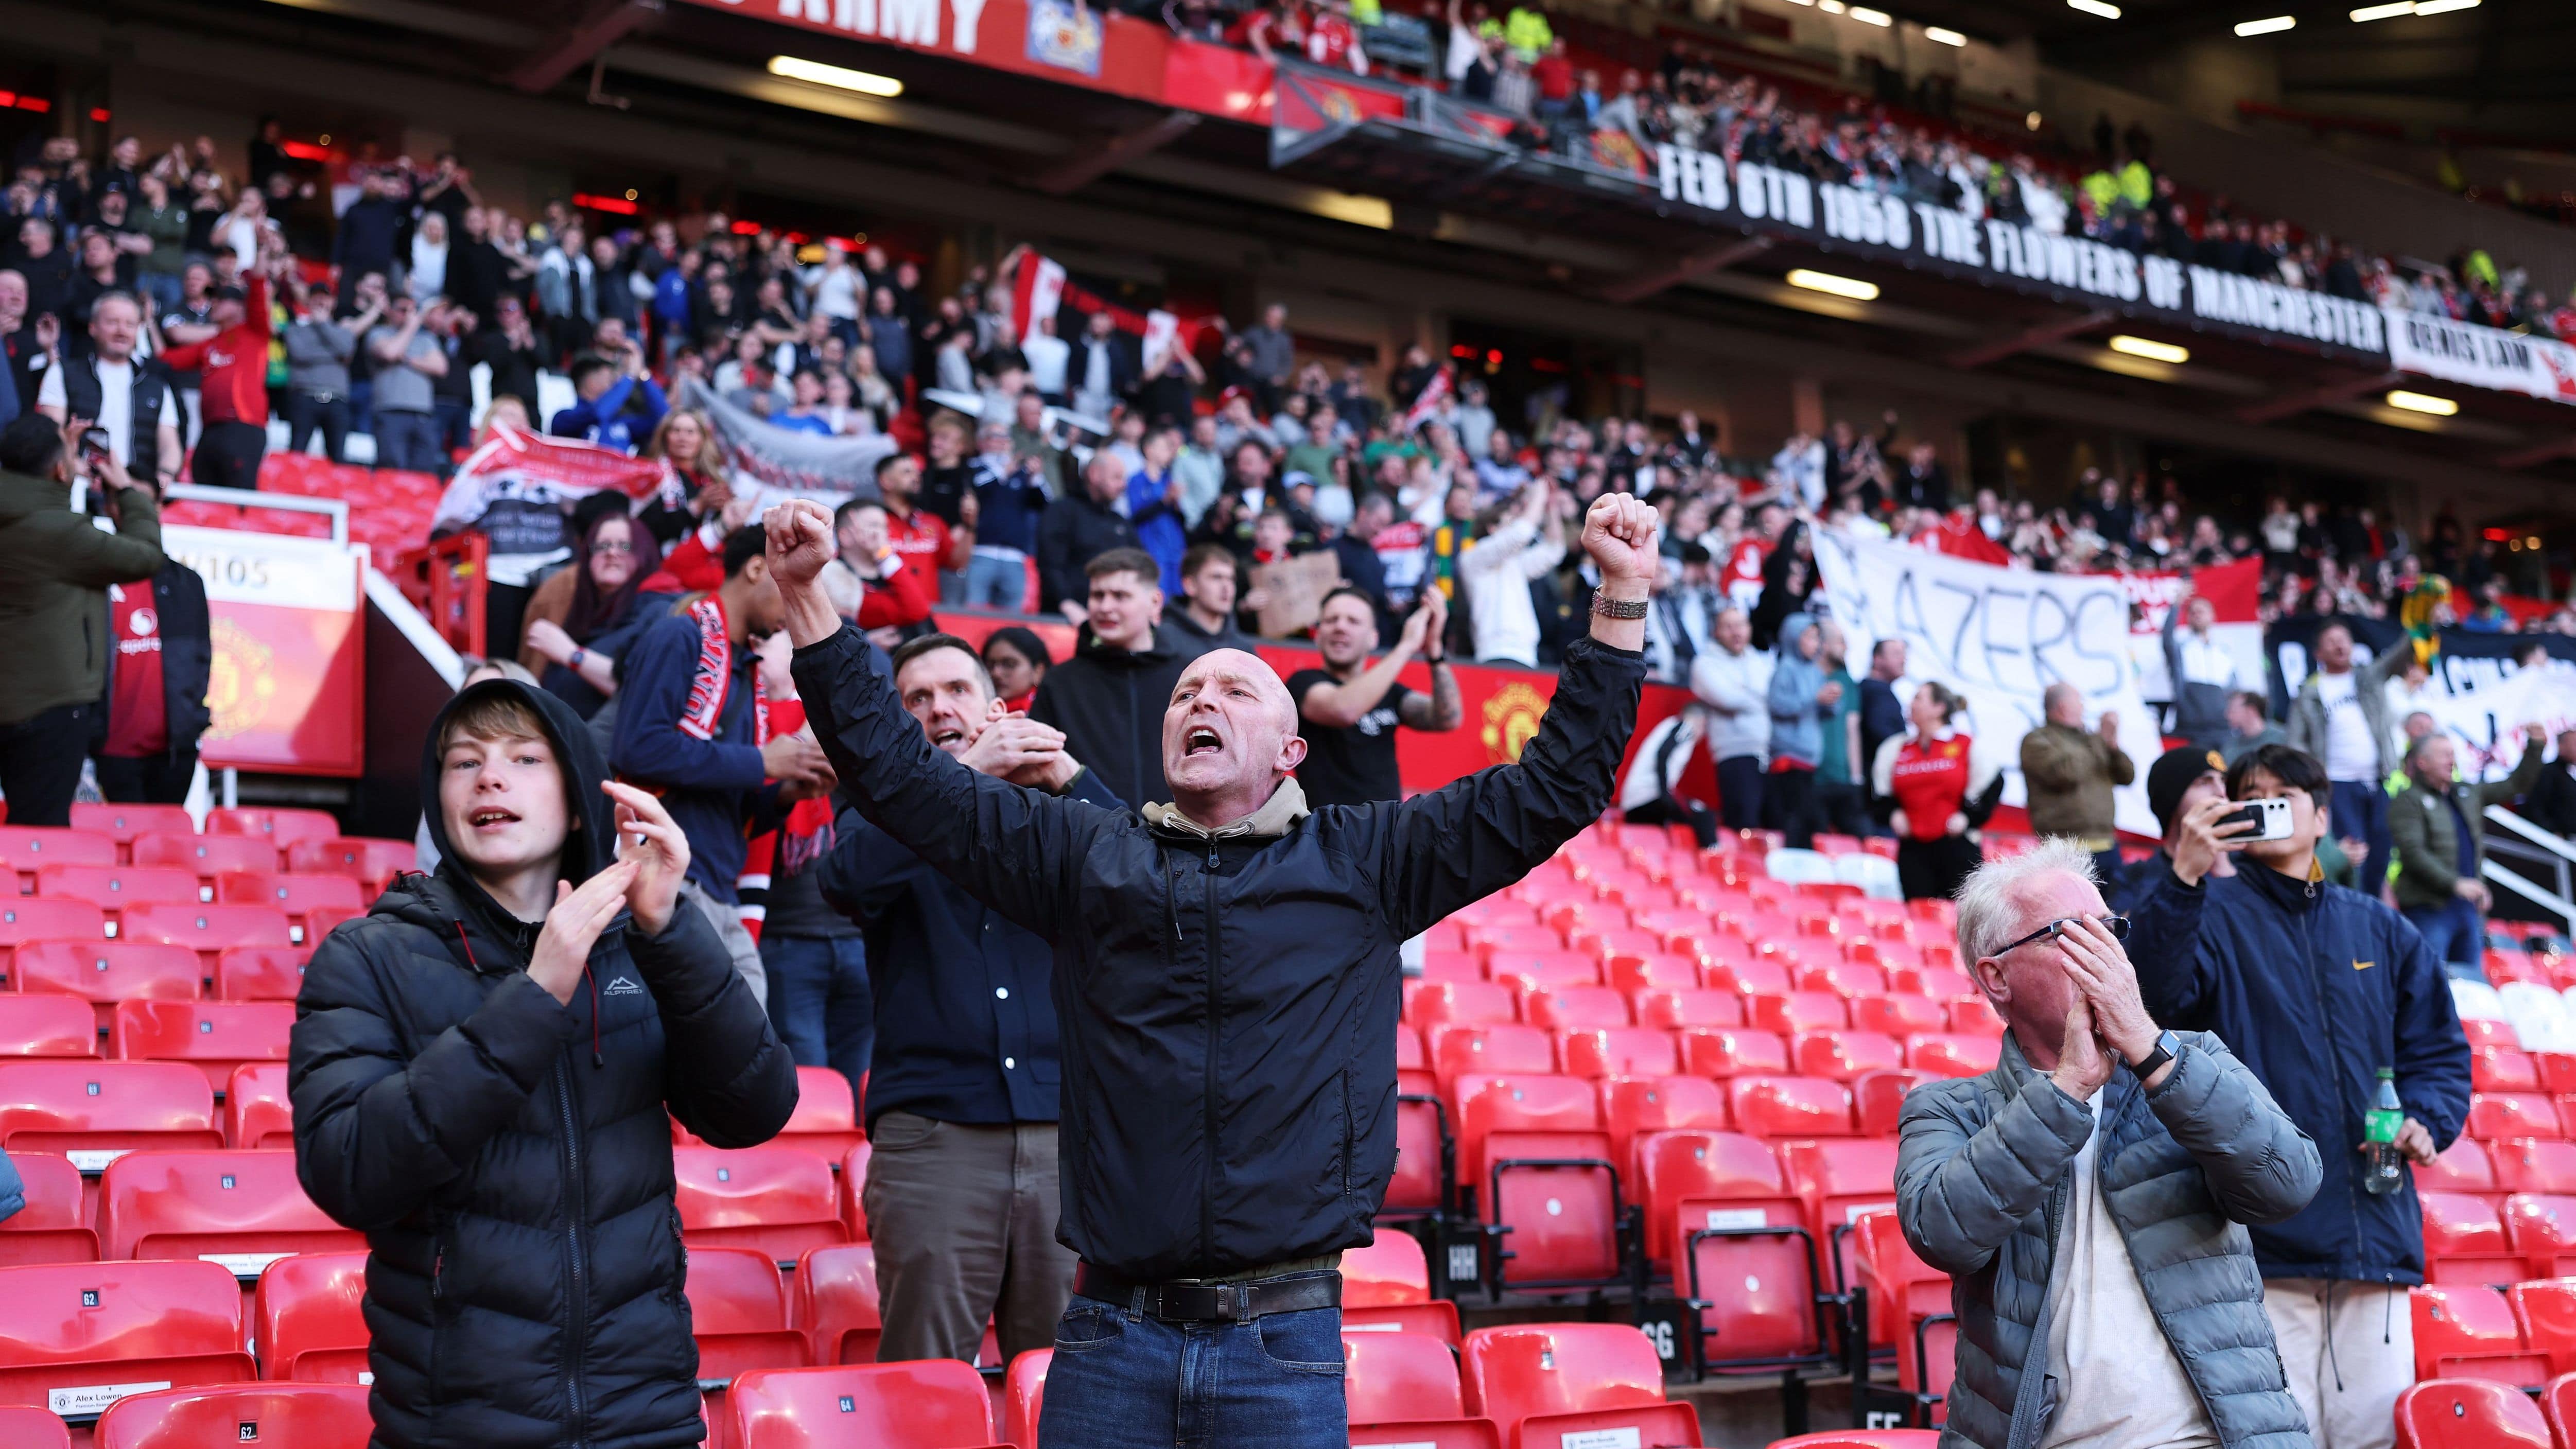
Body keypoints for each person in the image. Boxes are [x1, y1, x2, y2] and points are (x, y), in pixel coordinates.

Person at [771, 487, 1659, 1449]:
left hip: (1283, 1342)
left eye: (1235, 690)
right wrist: (809, 596)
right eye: (1187, 693)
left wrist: (1618, 597)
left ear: (1289, 751)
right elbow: (903, 780)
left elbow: (1556, 786)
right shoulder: (1087, 858)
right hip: (1108, 1336)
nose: (1201, 699)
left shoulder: (1366, 861)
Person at [289, 675, 798, 1449]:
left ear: (580, 798)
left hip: (645, 1416)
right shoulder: (368, 954)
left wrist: (669, 929)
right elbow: (347, 1168)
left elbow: (753, 1107)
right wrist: (536, 994)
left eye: (524, 758)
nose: (489, 777)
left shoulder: (641, 943)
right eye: (464, 762)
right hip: (458, 1426)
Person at [1897, 840, 2321, 1449]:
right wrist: (2068, 1087)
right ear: (1996, 977)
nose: (2107, 954)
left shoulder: (2193, 1060)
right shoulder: (1949, 1108)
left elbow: (2289, 1183)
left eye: (2110, 929)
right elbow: (1944, 1234)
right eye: (2071, 934)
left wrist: (2152, 1051)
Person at [2126, 742, 2472, 1449]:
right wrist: (2184, 876)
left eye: (2284, 795)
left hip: (2374, 1234)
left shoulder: (2381, 926)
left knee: (2375, 1437)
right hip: (2259, 1244)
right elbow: (2148, 1009)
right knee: (2278, 1440)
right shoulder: (2205, 912)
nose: (2268, 807)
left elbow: (2438, 1050)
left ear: (2321, 817)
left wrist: (2425, 1118)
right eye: (2253, 796)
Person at [815, 633, 1120, 1366]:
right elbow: (845, 880)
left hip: (1062, 1137)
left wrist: (1071, 776)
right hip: (934, 1137)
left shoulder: (1049, 802)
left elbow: (1146, 879)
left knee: (1070, 1385)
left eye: (955, 690)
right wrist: (959, 779)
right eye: (915, 699)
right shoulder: (873, 802)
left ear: (996, 709)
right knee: (926, 1379)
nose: (938, 708)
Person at [609, 523, 834, 1000]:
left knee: (751, 1035)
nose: (798, 613)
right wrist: (761, 761)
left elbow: (732, 803)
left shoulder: (747, 671)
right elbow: (638, 747)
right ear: (756, 568)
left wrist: (788, 790)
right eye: (794, 593)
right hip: (668, 880)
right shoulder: (679, 635)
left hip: (719, 890)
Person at [0, 414, 166, 825]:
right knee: (39, 830)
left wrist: (60, 456)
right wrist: (126, 489)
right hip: (51, 706)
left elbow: (37, 496)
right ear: (59, 470)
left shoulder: (28, 519)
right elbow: (146, 555)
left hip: (14, 698)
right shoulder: (61, 534)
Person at [1028, 548, 1195, 812]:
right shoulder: (1060, 683)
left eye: (1120, 596)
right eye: (1098, 595)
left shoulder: (1190, 680)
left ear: (1155, 602)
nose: (1105, 607)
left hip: (1178, 833)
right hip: (1085, 834)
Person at [2389, 725, 2546, 973]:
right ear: (2422, 762)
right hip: (2428, 909)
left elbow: (2516, 785)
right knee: (2429, 981)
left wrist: (2535, 746)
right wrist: (2456, 883)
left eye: (2452, 754)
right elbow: (2413, 853)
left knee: (2472, 984)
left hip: (2467, 910)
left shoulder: (2466, 793)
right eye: (2443, 755)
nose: (2451, 760)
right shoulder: (2407, 800)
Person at [1289, 587, 1462, 808]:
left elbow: (1447, 718)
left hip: (1389, 827)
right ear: (1318, 634)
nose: (1340, 627)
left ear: (1373, 638)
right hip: (1329, 826)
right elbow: (1342, 709)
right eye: (1331, 620)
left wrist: (1435, 650)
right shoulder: (1302, 683)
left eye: (1353, 621)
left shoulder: (1390, 692)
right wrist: (1407, 645)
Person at [2286, 622, 2410, 897]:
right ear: (2319, 653)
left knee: (2381, 853)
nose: (2340, 645)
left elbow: (2400, 657)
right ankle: (2353, 909)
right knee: (2353, 855)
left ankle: (2373, 910)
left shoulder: (2369, 677)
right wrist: (2312, 778)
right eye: (2331, 641)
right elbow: (2295, 741)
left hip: (2377, 781)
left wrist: (2419, 629)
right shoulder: (2310, 691)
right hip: (2337, 784)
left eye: (2344, 639)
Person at [518, 509, 666, 719]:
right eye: (602, 546)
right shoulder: (576, 607)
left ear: (644, 554)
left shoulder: (659, 610)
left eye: (625, 546)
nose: (612, 552)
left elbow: (645, 692)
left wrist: (572, 655)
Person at [94, 554, 212, 806]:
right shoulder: (97, 579)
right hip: (112, 751)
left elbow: (202, 659)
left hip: (173, 754)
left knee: (164, 830)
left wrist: (191, 722)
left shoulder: (186, 582)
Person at [33, 291, 181, 486]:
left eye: (130, 324)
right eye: (112, 322)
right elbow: (51, 429)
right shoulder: (63, 372)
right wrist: (72, 463)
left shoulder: (157, 385)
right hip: (77, 486)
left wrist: (165, 474)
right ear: (93, 327)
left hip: (134, 490)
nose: (122, 331)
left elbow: (169, 443)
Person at [1873, 680, 2003, 901]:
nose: (1912, 704)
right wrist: (1893, 814)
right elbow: (1878, 791)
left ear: (1939, 708)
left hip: (1957, 846)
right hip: (1913, 850)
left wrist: (1967, 817)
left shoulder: (1964, 743)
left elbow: (1993, 782)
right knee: (1920, 912)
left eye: (1918, 698)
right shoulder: (1896, 747)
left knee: (1965, 914)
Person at [154, 267, 274, 490]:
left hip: (243, 426)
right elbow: (164, 360)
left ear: (240, 306)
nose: (214, 303)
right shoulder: (209, 344)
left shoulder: (255, 332)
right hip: (210, 430)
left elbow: (258, 285)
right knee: (205, 494)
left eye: (221, 299)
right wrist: (148, 321)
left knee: (239, 497)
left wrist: (262, 253)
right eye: (213, 299)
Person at [2018, 682, 2133, 882]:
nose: (2083, 707)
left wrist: (2112, 746)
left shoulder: (2091, 741)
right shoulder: (2037, 741)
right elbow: (2065, 773)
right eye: (2079, 701)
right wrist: (2098, 740)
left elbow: (2127, 776)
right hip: (2065, 850)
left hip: (2107, 844)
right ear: (2063, 707)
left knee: (2112, 901)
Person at [2109, 745, 2237, 913]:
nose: (2222, 793)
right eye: (2204, 783)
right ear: (2172, 798)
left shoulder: (2243, 862)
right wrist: (2183, 877)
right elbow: (2126, 929)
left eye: (2223, 781)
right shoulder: (2135, 877)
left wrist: (2224, 871)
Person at [1690, 605, 1770, 832]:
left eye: (1741, 625)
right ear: (1716, 631)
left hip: (1767, 753)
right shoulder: (1704, 663)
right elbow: (1727, 698)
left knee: (1771, 831)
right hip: (1734, 754)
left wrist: (1746, 693)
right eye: (1728, 627)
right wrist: (1761, 699)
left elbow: (1770, 693)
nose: (1736, 632)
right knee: (1744, 827)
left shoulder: (1759, 660)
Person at [1763, 611, 1840, 848]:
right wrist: (1815, 699)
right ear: (1794, 637)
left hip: (1810, 759)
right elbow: (1778, 705)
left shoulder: (1816, 672)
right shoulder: (1785, 668)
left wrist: (1831, 701)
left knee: (1810, 820)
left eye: (1817, 638)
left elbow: (1825, 711)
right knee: (1793, 818)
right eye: (1809, 637)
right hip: (1788, 757)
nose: (1815, 643)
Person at [1035, 451, 1141, 619]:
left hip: (1112, 619)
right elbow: (1050, 564)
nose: (1123, 485)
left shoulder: (1120, 523)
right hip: (1065, 618)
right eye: (1116, 477)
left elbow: (1140, 565)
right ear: (1094, 474)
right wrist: (1066, 603)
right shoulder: (1063, 511)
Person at [364, 292, 448, 473]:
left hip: (423, 414)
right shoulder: (379, 333)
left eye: (412, 311)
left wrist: (407, 359)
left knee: (424, 472)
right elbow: (389, 353)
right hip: (390, 412)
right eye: (403, 310)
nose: (409, 315)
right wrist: (412, 327)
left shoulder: (426, 339)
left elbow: (441, 367)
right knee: (391, 469)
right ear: (390, 311)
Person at [2161, 591, 2239, 751]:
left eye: (2201, 611)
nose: (2197, 615)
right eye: (2192, 612)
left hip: (2222, 730)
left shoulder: (2224, 652)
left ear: (2212, 616)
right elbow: (2167, 639)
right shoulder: (2182, 649)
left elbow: (2234, 690)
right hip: (2190, 729)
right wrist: (2176, 606)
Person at [1169, 542, 1261, 654]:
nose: (1227, 587)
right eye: (1216, 577)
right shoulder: (1163, 642)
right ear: (1190, 585)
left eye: (1231, 579)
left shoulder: (1243, 650)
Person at [1856, 638, 1909, 805]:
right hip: (1875, 786)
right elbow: (1882, 733)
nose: (1903, 660)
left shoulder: (1865, 690)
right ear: (1877, 659)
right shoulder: (1879, 692)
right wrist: (1908, 756)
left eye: (1904, 654)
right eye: (1896, 654)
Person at [2524, 727, 2576, 840]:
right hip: (2556, 841)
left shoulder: (2571, 773)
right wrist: (2552, 832)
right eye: (2574, 743)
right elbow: (2535, 807)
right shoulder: (2548, 772)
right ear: (2561, 746)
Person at [2221, 690, 2286, 765]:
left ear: (2251, 711)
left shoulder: (2282, 738)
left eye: (2232, 710)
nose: (2226, 715)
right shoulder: (2230, 747)